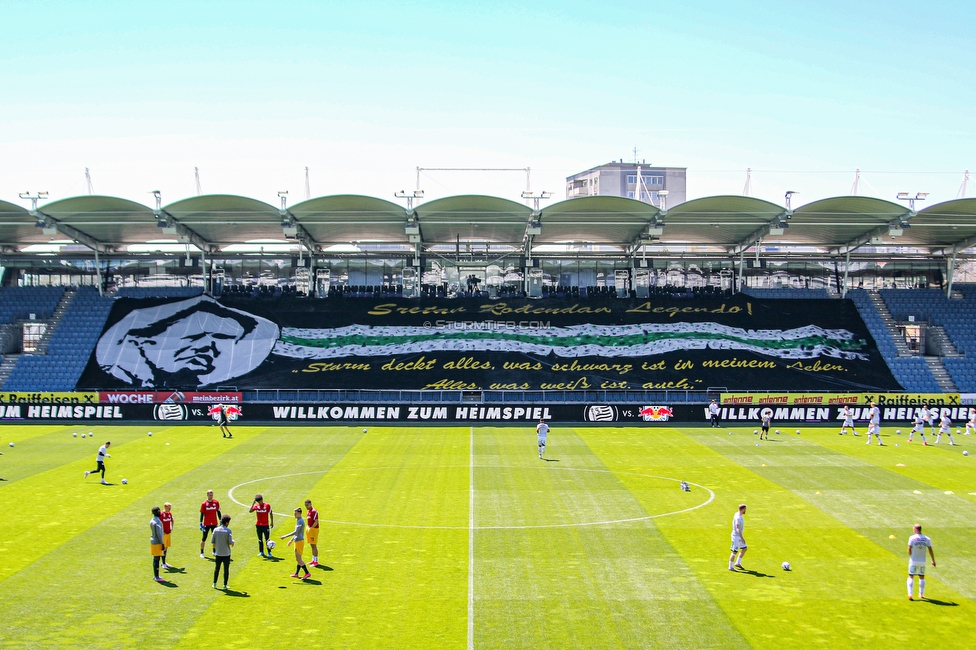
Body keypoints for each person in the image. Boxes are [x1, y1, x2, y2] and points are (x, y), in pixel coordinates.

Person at [95, 296, 279, 389]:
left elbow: (268, 330)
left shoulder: (219, 370)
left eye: (220, 340)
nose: (210, 349)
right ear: (142, 343)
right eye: (197, 337)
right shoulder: (114, 356)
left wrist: (207, 304)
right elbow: (127, 330)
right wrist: (200, 304)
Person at [907, 524, 936, 601]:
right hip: (922, 561)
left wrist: (911, 556)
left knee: (911, 576)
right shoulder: (927, 538)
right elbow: (930, 550)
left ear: (916, 529)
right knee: (921, 577)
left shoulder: (912, 538)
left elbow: (909, 549)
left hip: (913, 560)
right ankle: (921, 594)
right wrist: (933, 560)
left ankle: (910, 594)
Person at [281, 507, 311, 580]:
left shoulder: (300, 521)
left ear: (300, 513)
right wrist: (291, 540)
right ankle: (296, 573)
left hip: (299, 541)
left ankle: (307, 573)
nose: (294, 514)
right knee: (298, 559)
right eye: (294, 513)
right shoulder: (298, 520)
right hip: (297, 540)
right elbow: (297, 533)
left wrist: (285, 536)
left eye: (296, 513)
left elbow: (295, 532)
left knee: (299, 559)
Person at [211, 514, 235, 590]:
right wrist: (233, 542)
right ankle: (224, 585)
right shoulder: (228, 531)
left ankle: (214, 583)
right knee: (226, 570)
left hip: (218, 553)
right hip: (226, 554)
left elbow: (213, 542)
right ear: (227, 522)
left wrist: (215, 551)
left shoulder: (215, 530)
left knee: (217, 569)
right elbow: (230, 542)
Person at [200, 489, 221, 559]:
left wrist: (221, 520)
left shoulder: (216, 502)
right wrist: (200, 523)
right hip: (206, 523)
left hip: (214, 523)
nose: (211, 496)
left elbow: (218, 512)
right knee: (204, 538)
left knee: (215, 538)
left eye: (212, 495)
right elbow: (202, 513)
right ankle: (202, 552)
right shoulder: (204, 504)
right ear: (207, 495)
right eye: (209, 495)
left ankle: (214, 551)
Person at [728, 504, 747, 571]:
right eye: (745, 509)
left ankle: (737, 563)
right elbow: (737, 528)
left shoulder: (737, 514)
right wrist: (742, 538)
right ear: (743, 509)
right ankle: (730, 567)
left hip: (738, 536)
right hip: (736, 537)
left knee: (744, 548)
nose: (746, 510)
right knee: (734, 552)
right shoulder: (738, 518)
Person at [150, 506, 166, 583]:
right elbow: (159, 534)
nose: (160, 512)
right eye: (159, 511)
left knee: (155, 559)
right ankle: (156, 576)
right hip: (157, 542)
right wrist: (162, 543)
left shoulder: (152, 520)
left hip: (153, 541)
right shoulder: (158, 522)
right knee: (157, 559)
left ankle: (156, 575)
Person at [304, 499, 320, 567]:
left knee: (314, 545)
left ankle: (316, 561)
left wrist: (311, 528)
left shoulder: (314, 511)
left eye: (307, 505)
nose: (306, 507)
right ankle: (313, 560)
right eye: (305, 505)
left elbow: (316, 521)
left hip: (314, 530)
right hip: (310, 529)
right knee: (311, 545)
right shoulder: (308, 511)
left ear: (310, 504)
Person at [159, 502, 175, 569]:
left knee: (166, 547)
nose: (170, 509)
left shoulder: (169, 514)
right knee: (163, 548)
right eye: (169, 508)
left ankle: (164, 562)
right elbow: (159, 524)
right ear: (165, 507)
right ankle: (163, 563)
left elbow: (172, 520)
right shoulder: (161, 514)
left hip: (168, 533)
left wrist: (171, 527)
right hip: (164, 534)